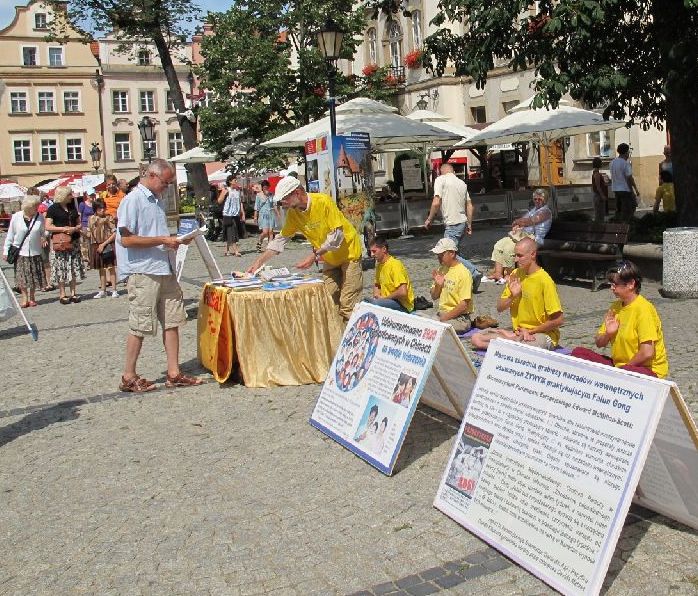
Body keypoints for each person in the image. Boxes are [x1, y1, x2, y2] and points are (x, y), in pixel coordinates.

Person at [116, 158, 202, 392]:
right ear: (152, 176)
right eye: (165, 182)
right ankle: (128, 375)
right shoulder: (133, 200)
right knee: (140, 324)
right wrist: (163, 240)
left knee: (172, 320)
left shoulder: (157, 200)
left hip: (164, 267)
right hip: (143, 270)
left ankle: (174, 372)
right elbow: (126, 239)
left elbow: (154, 234)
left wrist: (176, 240)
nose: (167, 187)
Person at [247, 177, 363, 322]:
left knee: (348, 305)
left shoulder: (323, 201)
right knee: (327, 301)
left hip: (349, 254)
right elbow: (281, 240)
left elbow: (336, 236)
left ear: (297, 193)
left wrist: (313, 256)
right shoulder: (293, 213)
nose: (283, 203)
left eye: (285, 199)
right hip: (330, 258)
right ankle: (336, 333)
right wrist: (259, 262)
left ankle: (355, 334)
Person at [571, 260, 668, 378]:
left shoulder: (644, 309)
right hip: (620, 367)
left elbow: (647, 352)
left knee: (625, 372)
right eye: (611, 284)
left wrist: (622, 371)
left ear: (631, 284)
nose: (612, 288)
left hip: (645, 369)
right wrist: (608, 334)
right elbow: (599, 343)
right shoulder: (615, 307)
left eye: (615, 284)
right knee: (579, 353)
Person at [471, 237, 564, 350]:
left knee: (522, 348)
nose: (516, 260)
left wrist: (531, 331)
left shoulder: (545, 281)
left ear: (533, 254)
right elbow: (500, 308)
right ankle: (511, 341)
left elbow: (558, 320)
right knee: (476, 338)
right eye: (515, 255)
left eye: (520, 256)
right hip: (518, 333)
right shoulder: (515, 274)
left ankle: (510, 341)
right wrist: (512, 296)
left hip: (542, 334)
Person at [424, 163, 482, 290]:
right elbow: (470, 206)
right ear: (453, 171)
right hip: (462, 222)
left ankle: (474, 273)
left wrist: (429, 219)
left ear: (441, 172)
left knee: (448, 253)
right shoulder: (462, 183)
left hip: (452, 224)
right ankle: (462, 281)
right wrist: (469, 224)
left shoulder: (440, 180)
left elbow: (436, 202)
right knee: (455, 253)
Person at [484, 188, 552, 283]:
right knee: (499, 244)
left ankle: (509, 275)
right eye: (535, 199)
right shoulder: (533, 210)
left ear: (545, 200)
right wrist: (517, 225)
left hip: (534, 239)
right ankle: (498, 273)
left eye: (540, 199)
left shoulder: (545, 211)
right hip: (523, 236)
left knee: (509, 248)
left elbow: (531, 221)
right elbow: (523, 220)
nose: (537, 201)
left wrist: (517, 221)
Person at [2, 195, 46, 307]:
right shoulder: (16, 216)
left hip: (35, 251)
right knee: (22, 276)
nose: (37, 208)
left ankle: (32, 297)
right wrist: (6, 251)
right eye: (35, 206)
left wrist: (44, 236)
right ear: (28, 206)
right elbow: (10, 235)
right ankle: (24, 297)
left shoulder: (40, 217)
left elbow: (44, 231)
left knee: (34, 275)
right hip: (20, 251)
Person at [45, 186, 85, 304]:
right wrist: (63, 229)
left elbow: (79, 223)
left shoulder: (72, 207)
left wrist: (75, 228)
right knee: (61, 267)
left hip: (74, 241)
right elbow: (47, 226)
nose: (71, 196)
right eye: (69, 194)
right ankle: (62, 294)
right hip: (61, 242)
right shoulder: (53, 209)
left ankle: (73, 292)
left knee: (73, 266)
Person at [428, 237, 474, 333]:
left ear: (452, 253)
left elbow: (464, 305)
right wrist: (438, 286)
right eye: (438, 255)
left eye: (441, 255)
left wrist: (444, 318)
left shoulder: (463, 273)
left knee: (436, 329)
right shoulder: (442, 269)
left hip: (460, 318)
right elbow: (434, 296)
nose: (439, 258)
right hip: (442, 313)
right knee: (423, 324)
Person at [365, 238, 414, 313]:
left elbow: (403, 292)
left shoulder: (395, 265)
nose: (372, 255)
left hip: (402, 304)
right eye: (370, 252)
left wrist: (384, 299)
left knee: (375, 305)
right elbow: (377, 284)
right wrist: (376, 295)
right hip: (387, 301)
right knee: (365, 302)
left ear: (384, 249)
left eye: (374, 251)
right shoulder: (379, 266)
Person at [88, 198, 118, 298]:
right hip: (96, 245)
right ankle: (103, 290)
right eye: (100, 208)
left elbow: (114, 233)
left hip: (107, 244)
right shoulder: (91, 219)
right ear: (95, 209)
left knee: (111, 267)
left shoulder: (108, 218)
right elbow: (89, 233)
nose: (102, 210)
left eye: (103, 208)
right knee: (101, 268)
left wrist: (104, 244)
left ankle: (114, 289)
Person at [610, 143, 640, 222]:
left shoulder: (612, 162)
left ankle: (618, 223)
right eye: (628, 152)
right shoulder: (625, 163)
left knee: (619, 209)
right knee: (630, 207)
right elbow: (629, 178)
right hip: (625, 189)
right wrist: (634, 190)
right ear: (626, 152)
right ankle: (627, 223)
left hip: (615, 189)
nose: (629, 154)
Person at [218, 175, 243, 257]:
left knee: (228, 232)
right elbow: (219, 201)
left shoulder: (237, 191)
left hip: (235, 214)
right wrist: (224, 194)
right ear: (230, 181)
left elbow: (240, 203)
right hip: (228, 214)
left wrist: (242, 212)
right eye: (235, 180)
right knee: (232, 232)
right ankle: (236, 251)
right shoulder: (226, 190)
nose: (236, 181)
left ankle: (226, 250)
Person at [254, 180, 275, 252]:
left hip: (271, 214)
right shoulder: (258, 195)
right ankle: (259, 242)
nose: (266, 188)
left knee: (271, 232)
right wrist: (255, 217)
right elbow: (256, 207)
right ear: (262, 187)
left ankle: (269, 247)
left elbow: (273, 205)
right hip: (263, 214)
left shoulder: (271, 194)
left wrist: (277, 213)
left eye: (267, 187)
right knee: (265, 232)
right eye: (264, 187)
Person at [78, 189, 96, 268]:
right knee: (85, 244)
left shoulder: (95, 204)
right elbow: (79, 215)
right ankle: (88, 261)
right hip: (85, 225)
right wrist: (80, 225)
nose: (92, 196)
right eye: (90, 195)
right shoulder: (82, 204)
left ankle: (92, 261)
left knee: (92, 244)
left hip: (93, 226)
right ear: (87, 195)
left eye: (93, 195)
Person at [591, 157, 609, 222]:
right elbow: (598, 187)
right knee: (599, 214)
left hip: (597, 195)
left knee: (599, 214)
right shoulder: (597, 174)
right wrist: (602, 196)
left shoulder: (595, 173)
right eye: (600, 162)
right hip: (598, 196)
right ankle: (599, 226)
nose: (601, 164)